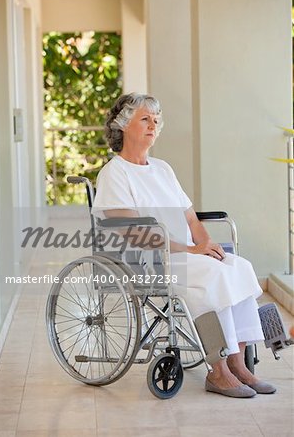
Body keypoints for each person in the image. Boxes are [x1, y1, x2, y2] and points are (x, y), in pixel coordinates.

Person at [93, 92, 276, 398]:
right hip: (148, 261)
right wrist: (190, 249)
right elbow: (129, 230)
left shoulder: (163, 169)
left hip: (187, 256)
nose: (154, 124)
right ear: (123, 125)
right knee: (213, 277)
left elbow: (192, 220)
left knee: (239, 267)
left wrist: (206, 243)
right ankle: (218, 372)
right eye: (145, 119)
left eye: (156, 119)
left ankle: (239, 365)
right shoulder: (115, 173)